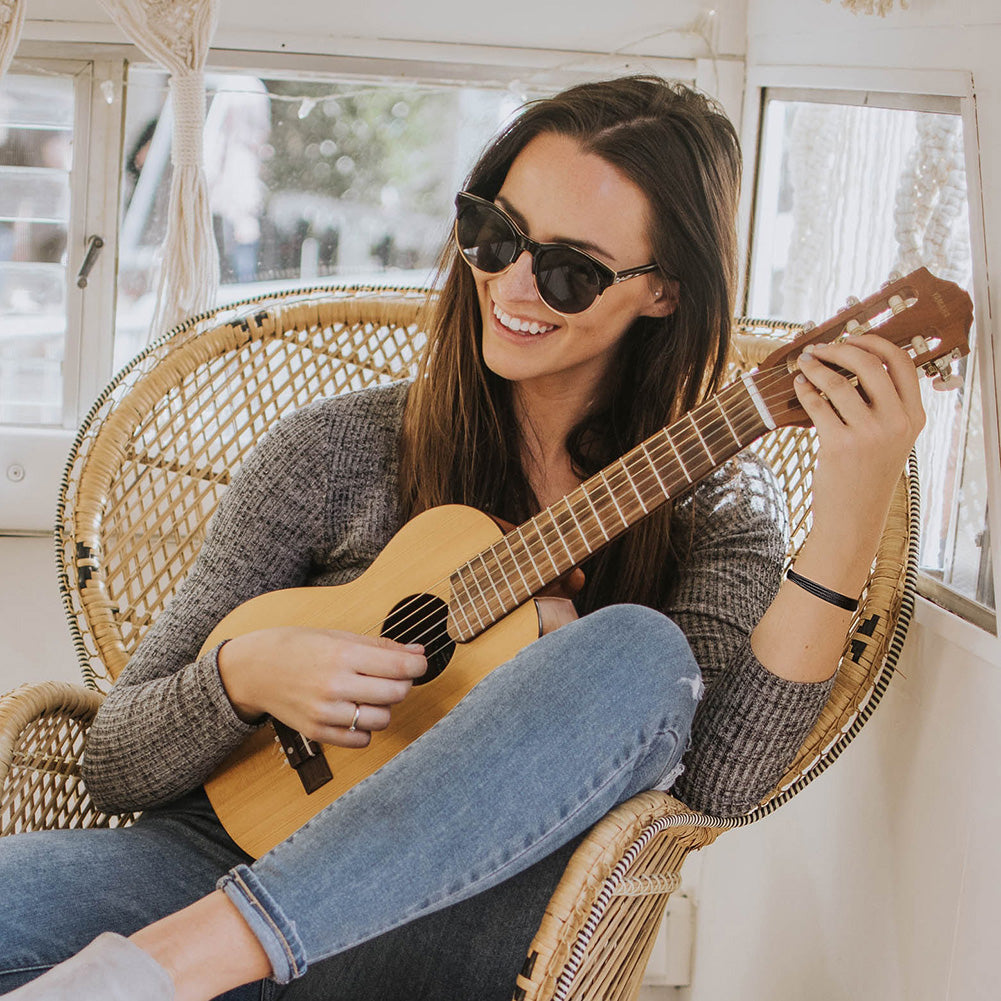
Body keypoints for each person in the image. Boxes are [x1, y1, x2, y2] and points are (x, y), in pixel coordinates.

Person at [0, 76, 924, 1001]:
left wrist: (852, 506)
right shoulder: (335, 450)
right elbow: (113, 761)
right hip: (206, 856)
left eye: (571, 270)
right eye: (494, 232)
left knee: (636, 651)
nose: (513, 283)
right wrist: (244, 672)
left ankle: (173, 968)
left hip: (456, 915)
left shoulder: (715, 507)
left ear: (662, 294)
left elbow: (718, 786)